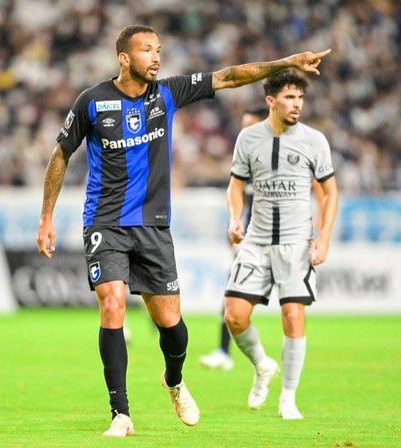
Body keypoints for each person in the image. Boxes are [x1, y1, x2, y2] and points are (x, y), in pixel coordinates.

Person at [36, 24, 331, 437]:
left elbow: (228, 76)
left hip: (154, 227)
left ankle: (173, 380)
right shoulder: (93, 101)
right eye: (146, 51)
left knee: (172, 325)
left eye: (158, 50)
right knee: (113, 305)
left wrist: (285, 64)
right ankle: (120, 412)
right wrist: (47, 216)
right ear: (124, 58)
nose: (156, 57)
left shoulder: (168, 93)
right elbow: (60, 153)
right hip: (104, 221)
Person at [222, 68, 339, 420]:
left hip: (294, 243)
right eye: (289, 97)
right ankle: (261, 365)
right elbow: (235, 185)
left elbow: (331, 192)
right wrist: (233, 219)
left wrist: (323, 238)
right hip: (256, 241)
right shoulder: (248, 139)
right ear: (270, 101)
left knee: (292, 315)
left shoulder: (314, 141)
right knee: (234, 316)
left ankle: (288, 397)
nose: (297, 104)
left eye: (300, 97)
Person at [200, 105, 326, 371]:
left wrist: (320, 232)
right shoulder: (248, 158)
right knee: (232, 301)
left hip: (286, 242)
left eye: (250, 124)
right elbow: (240, 199)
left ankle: (258, 363)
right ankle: (228, 352)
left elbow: (321, 189)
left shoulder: (286, 157)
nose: (244, 130)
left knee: (290, 309)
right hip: (252, 241)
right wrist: (234, 224)